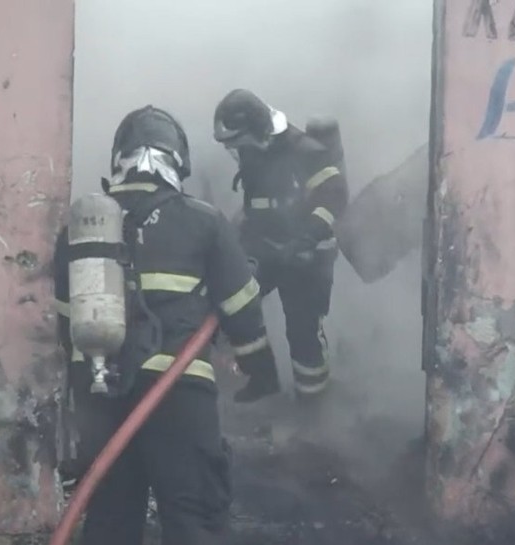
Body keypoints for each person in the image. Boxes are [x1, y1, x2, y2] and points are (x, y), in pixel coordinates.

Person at [53, 105, 280, 545]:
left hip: (101, 395)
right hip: (178, 393)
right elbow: (243, 308)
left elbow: (67, 323)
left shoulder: (79, 233)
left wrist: (86, 379)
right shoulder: (203, 220)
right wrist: (260, 370)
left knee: (110, 518)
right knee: (193, 517)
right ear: (176, 160)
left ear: (119, 159)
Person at [212, 89, 349, 406]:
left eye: (237, 141)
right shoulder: (254, 151)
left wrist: (306, 239)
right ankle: (263, 379)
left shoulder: (306, 151)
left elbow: (335, 196)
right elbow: (257, 206)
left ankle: (313, 401)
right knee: (238, 308)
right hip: (267, 248)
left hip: (308, 256)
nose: (234, 149)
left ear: (257, 130)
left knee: (302, 330)